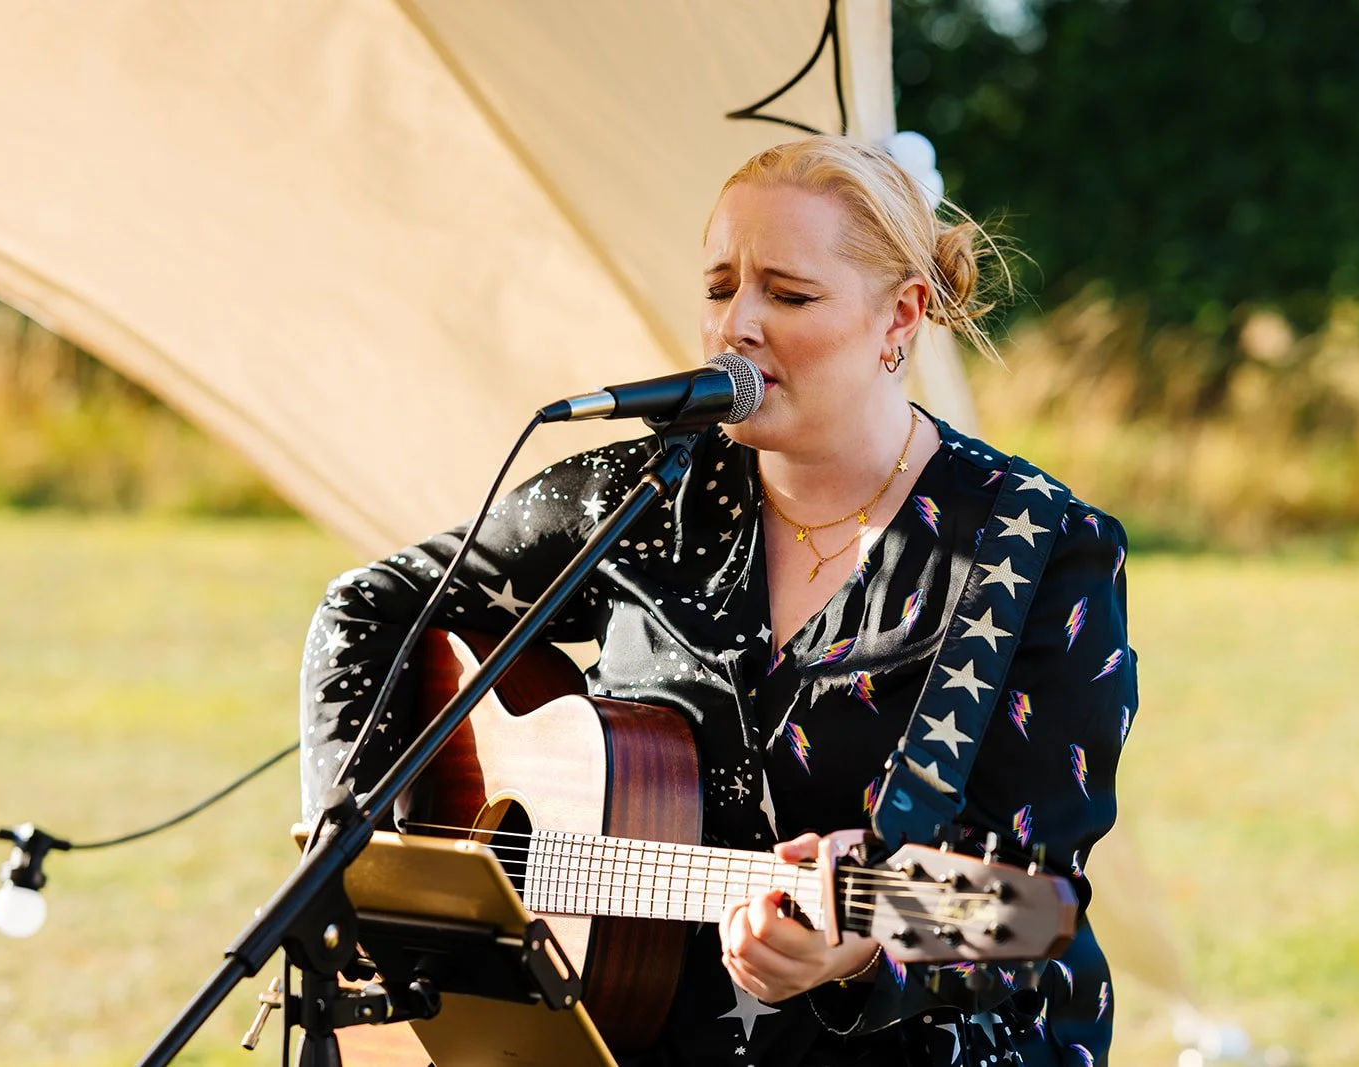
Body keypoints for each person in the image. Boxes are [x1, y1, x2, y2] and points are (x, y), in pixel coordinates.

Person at [300, 135, 1136, 1066]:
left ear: (900, 317)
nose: (738, 322)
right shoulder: (649, 495)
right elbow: (374, 606)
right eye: (719, 286)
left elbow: (1031, 914)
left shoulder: (1034, 549)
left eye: (788, 293)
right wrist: (368, 874)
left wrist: (859, 946)